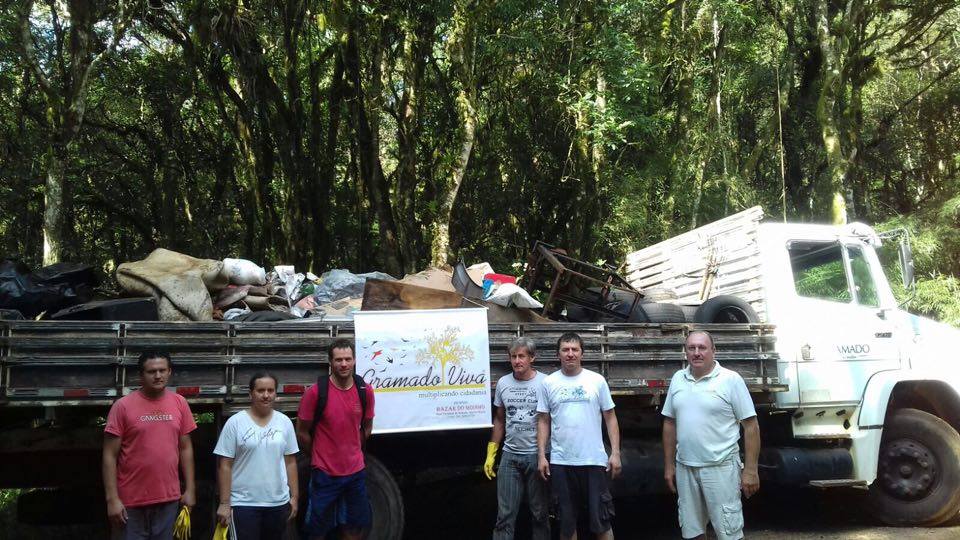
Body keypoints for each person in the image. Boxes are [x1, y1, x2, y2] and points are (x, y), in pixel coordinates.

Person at [661, 330, 761, 540]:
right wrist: (669, 466)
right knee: (692, 531)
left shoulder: (730, 380)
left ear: (713, 351)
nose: (697, 353)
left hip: (721, 467)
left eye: (702, 348)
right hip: (685, 467)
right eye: (691, 348)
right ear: (686, 352)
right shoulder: (679, 379)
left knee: (729, 532)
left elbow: (751, 426)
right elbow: (670, 423)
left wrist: (751, 470)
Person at [103, 351, 197, 540]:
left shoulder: (179, 403)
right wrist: (112, 499)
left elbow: (185, 448)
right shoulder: (123, 406)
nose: (157, 375)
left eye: (162, 370)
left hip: (168, 499)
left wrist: (190, 489)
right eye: (151, 371)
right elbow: (109, 456)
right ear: (141, 375)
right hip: (130, 502)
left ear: (169, 372)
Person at [537, 332, 621, 540]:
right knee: (566, 524)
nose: (570, 354)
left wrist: (616, 453)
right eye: (565, 350)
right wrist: (541, 455)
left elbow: (610, 417)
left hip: (593, 460)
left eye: (574, 349)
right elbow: (543, 420)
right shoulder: (548, 383)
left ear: (582, 353)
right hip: (561, 462)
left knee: (601, 520)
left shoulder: (597, 380)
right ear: (558, 354)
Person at [296, 338, 375, 540]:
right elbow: (302, 432)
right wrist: (319, 455)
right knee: (317, 530)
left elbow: (367, 427)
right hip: (325, 474)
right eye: (338, 360)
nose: (344, 364)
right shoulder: (315, 393)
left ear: (355, 360)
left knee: (354, 528)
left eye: (348, 359)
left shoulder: (365, 391)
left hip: (355, 473)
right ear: (330, 362)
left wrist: (352, 451)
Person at [214, 372, 299, 540]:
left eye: (270, 390)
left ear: (276, 393)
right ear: (250, 394)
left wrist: (294, 497)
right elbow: (224, 465)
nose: (266, 395)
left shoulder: (284, 422)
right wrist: (224, 503)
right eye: (261, 390)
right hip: (244, 504)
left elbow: (290, 462)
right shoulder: (235, 423)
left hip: (277, 503)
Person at [485, 337, 550, 540]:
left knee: (540, 514)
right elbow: (499, 419)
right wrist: (491, 453)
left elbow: (549, 420)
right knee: (504, 516)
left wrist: (545, 455)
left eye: (522, 356)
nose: (517, 361)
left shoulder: (545, 383)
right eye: (514, 356)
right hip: (510, 457)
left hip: (536, 457)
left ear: (532, 357)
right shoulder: (504, 383)